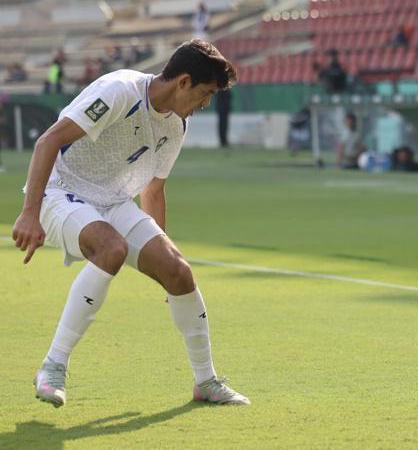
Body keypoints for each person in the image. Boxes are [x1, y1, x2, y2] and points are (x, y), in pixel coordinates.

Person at [12, 39, 249, 408]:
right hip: (59, 190)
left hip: (112, 200)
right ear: (183, 82)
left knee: (179, 272)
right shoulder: (119, 91)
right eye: (206, 93)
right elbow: (48, 141)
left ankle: (206, 382)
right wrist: (30, 212)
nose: (206, 104)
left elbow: (154, 191)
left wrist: (162, 262)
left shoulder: (176, 125)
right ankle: (52, 366)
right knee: (111, 249)